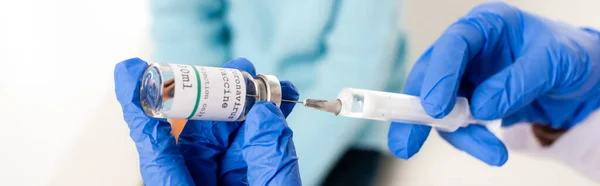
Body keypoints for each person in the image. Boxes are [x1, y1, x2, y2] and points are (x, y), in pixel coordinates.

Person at [115, 1, 600, 185]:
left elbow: (358, 56)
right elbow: (185, 18)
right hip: (233, 108)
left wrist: (290, 165)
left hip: (347, 135)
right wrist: (191, 111)